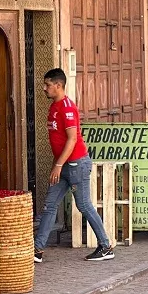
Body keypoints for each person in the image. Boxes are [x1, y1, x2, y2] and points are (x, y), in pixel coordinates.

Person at [34, 68, 114, 263]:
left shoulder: (67, 108)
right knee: (49, 205)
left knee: (84, 205)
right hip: (62, 166)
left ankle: (105, 246)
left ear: (58, 85)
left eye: (47, 85)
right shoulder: (53, 107)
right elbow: (58, 141)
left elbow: (71, 140)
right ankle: (37, 249)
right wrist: (56, 165)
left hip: (76, 165)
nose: (44, 89)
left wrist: (58, 165)